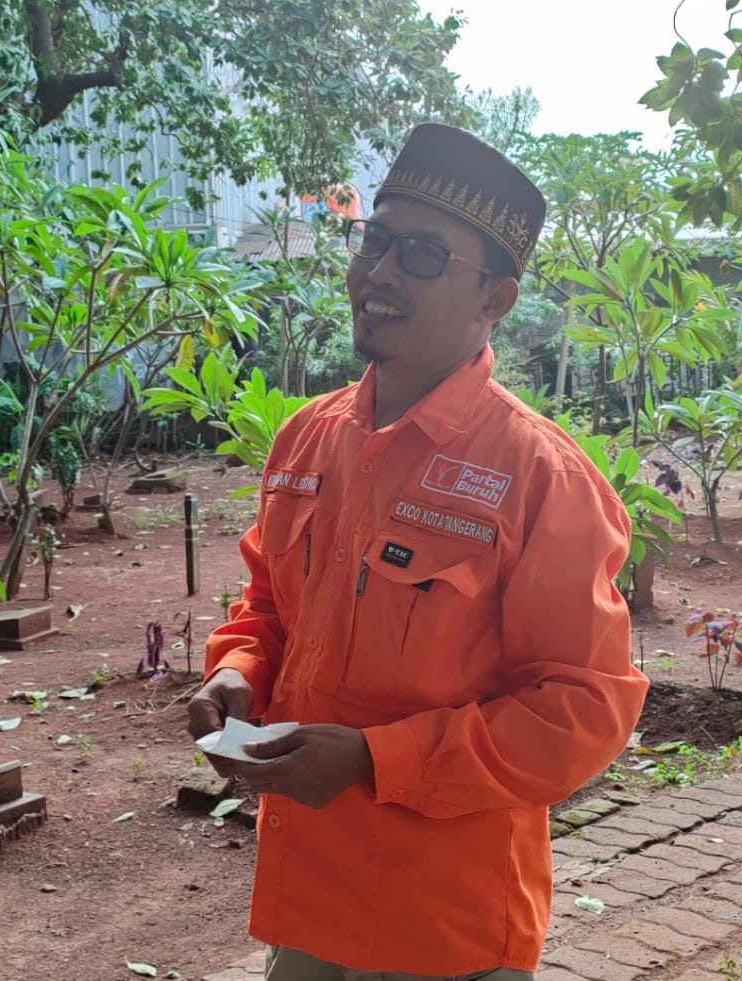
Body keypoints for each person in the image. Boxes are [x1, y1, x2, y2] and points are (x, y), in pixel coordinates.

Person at [187, 124, 648, 980]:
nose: (381, 272)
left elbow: (581, 709)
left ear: (495, 301)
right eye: (378, 241)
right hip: (311, 903)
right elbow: (270, 608)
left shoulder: (538, 476)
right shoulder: (306, 440)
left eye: (424, 256)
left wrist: (374, 760)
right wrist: (238, 672)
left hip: (450, 926)